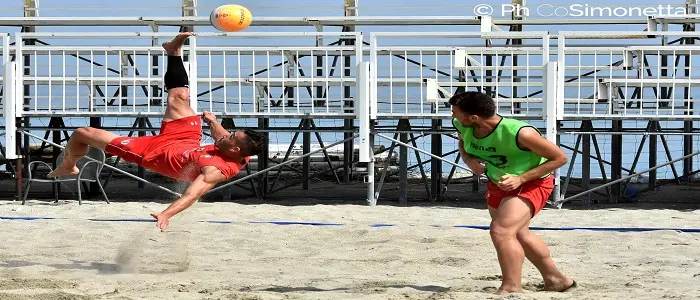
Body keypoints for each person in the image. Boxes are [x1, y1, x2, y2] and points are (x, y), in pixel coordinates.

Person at [47, 32, 265, 232]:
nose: (227, 134)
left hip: (152, 153)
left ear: (235, 148)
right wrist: (212, 122)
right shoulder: (237, 149)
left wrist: (166, 214)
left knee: (82, 132)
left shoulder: (216, 170)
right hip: (185, 140)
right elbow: (221, 138)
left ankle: (68, 166)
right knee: (180, 96)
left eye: (232, 136)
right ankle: (173, 52)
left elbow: (191, 195)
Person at [449, 91, 576, 295]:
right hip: (498, 182)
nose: (452, 116)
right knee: (518, 233)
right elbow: (462, 141)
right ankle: (556, 279)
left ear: (473, 117)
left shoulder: (519, 133)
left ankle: (511, 288)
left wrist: (521, 178)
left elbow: (559, 158)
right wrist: (468, 160)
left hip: (532, 181)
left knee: (501, 231)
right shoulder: (463, 125)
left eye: (455, 112)